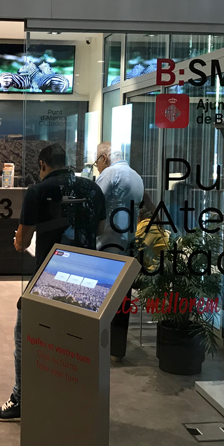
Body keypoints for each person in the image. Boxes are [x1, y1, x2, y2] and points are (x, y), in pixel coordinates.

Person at [0, 143, 106, 421]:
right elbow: (100, 229)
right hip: (86, 277)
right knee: (77, 339)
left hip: (49, 278)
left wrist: (18, 242)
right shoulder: (92, 188)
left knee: (25, 334)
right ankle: (74, 400)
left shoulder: (37, 191)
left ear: (42, 164)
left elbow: (23, 241)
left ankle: (21, 398)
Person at [94, 143, 144, 361]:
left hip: (106, 243)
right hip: (127, 244)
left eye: (97, 162)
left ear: (104, 158)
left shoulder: (110, 173)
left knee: (100, 298)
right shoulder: (137, 177)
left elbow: (94, 202)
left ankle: (98, 346)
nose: (97, 167)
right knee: (123, 299)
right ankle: (117, 348)